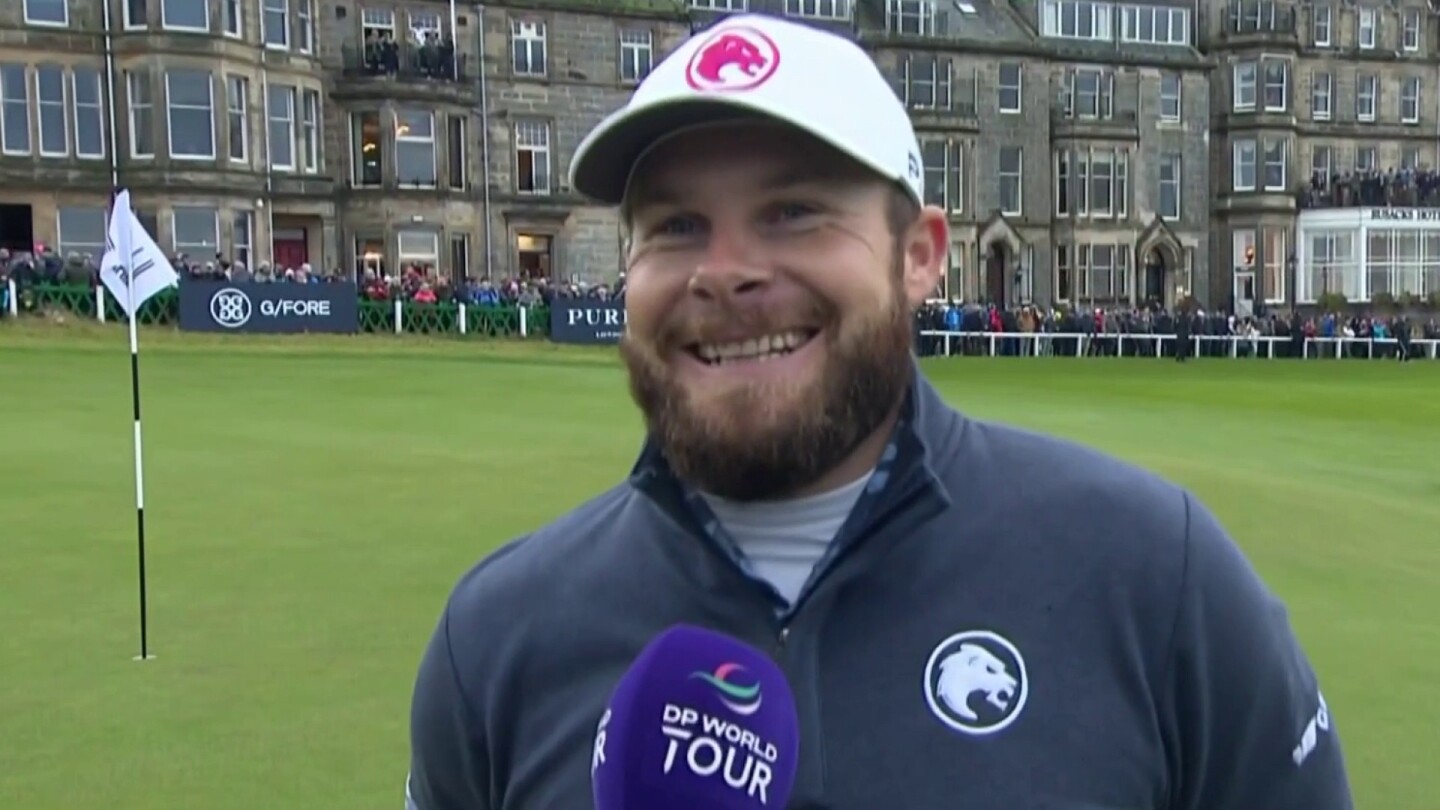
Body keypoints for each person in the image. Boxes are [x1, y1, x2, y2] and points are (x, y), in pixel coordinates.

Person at [405, 13, 1352, 810]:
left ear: (919, 256)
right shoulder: (496, 642)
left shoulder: (1157, 577)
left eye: (795, 213)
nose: (725, 269)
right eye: (676, 225)